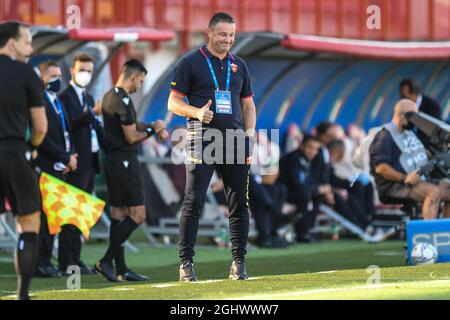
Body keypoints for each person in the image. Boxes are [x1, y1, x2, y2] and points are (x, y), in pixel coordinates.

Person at [168, 12, 256, 281]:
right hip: (201, 139)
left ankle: (238, 263)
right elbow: (173, 103)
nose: (227, 40)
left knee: (239, 204)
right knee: (194, 201)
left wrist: (249, 137)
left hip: (234, 142)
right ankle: (186, 264)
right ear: (209, 32)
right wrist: (196, 112)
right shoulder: (190, 63)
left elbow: (248, 104)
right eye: (222, 34)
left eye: (231, 35)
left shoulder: (239, 65)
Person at [94, 59, 168, 282]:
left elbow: (132, 125)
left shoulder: (110, 96)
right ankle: (106, 261)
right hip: (125, 160)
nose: (139, 86)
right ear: (134, 77)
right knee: (138, 215)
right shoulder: (123, 99)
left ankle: (121, 268)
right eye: (141, 81)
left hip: (113, 161)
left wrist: (151, 125)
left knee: (119, 214)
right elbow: (131, 137)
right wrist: (154, 131)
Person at [0, 21, 48, 300]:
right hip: (16, 155)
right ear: (11, 43)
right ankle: (22, 295)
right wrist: (31, 148)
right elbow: (40, 127)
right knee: (28, 225)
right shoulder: (26, 74)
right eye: (27, 42)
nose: (31, 48)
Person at [58, 53, 104, 274]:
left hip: (90, 162)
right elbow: (69, 125)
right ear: (72, 71)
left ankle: (76, 259)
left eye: (89, 70)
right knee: (71, 214)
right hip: (76, 163)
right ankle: (67, 261)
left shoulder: (87, 96)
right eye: (82, 69)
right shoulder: (65, 97)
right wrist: (92, 114)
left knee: (81, 214)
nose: (85, 74)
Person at [370, 99, 450, 220]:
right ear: (401, 115)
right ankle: (428, 235)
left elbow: (418, 153)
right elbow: (381, 168)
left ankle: (444, 232)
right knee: (434, 192)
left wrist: (431, 155)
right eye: (413, 116)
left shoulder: (409, 134)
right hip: (395, 185)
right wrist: (404, 178)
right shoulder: (384, 137)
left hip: (416, 180)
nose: (415, 121)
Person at [34, 61, 77, 278]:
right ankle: (40, 262)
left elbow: (66, 133)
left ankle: (46, 260)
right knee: (46, 218)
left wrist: (72, 155)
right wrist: (64, 156)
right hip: (46, 165)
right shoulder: (40, 101)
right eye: (52, 76)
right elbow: (43, 138)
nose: (57, 80)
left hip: (61, 165)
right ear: (42, 78)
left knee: (55, 217)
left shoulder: (56, 101)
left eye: (59, 75)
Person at [278, 135, 328, 242]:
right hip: (284, 193)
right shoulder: (293, 159)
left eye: (316, 149)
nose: (313, 152)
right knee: (306, 195)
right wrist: (318, 189)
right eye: (310, 147)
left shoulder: (308, 160)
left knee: (317, 195)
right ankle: (302, 233)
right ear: (302, 146)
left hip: (298, 191)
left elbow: (309, 181)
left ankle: (307, 230)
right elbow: (298, 184)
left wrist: (319, 189)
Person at [400, 79, 442, 147]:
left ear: (414, 94)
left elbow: (435, 132)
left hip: (429, 149)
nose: (403, 100)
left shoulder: (432, 107)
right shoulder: (406, 107)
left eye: (405, 97)